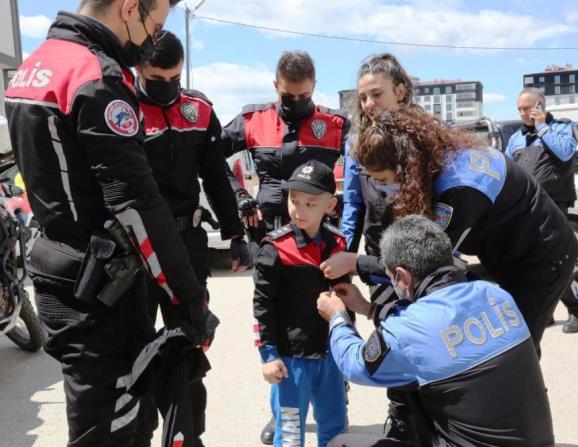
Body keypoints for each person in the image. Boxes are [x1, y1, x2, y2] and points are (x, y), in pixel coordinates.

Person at [4, 1, 218, 446]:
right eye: (153, 26)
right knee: (115, 427)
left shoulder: (35, 64)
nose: (149, 41)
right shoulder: (96, 77)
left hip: (60, 269)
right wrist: (189, 300)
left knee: (98, 415)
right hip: (99, 288)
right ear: (128, 9)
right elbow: (135, 202)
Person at [329, 105, 577, 358]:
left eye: (382, 181)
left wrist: (358, 264)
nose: (383, 190)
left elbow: (423, 264)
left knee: (517, 351)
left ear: (406, 166)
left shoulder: (461, 190)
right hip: (512, 253)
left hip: (543, 259)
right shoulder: (439, 158)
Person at [317, 215, 554, 447]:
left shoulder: (407, 330)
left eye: (391, 278)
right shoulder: (496, 296)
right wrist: (368, 308)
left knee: (340, 443)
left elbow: (354, 365)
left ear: (402, 276)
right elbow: (433, 330)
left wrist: (337, 317)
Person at [221, 50, 350, 443]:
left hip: (326, 242)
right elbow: (209, 157)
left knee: (332, 312)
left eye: (305, 95)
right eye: (289, 96)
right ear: (276, 86)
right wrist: (239, 195)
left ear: (314, 87)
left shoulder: (334, 124)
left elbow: (363, 171)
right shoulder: (252, 120)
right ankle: (281, 409)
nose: (297, 103)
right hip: (273, 240)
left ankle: (335, 392)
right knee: (277, 319)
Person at [135, 30, 249, 447]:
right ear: (138, 70)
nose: (166, 88)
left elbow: (217, 177)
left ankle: (189, 436)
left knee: (190, 343)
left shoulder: (198, 110)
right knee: (136, 348)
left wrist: (235, 234)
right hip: (136, 251)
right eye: (156, 79)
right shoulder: (121, 109)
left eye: (174, 79)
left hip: (187, 243)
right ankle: (140, 433)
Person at [338, 53, 417, 441]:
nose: (369, 104)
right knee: (389, 328)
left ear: (400, 92)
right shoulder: (354, 140)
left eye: (376, 94)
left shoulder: (423, 137)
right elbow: (353, 202)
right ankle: (401, 422)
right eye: (363, 97)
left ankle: (431, 420)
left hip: (420, 253)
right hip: (377, 253)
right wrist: (344, 255)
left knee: (423, 334)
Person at [253, 160, 348, 447]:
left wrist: (346, 348)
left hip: (331, 356)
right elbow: (262, 305)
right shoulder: (275, 248)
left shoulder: (339, 244)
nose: (299, 210)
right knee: (292, 432)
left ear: (330, 205)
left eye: (310, 203)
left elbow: (343, 299)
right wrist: (268, 356)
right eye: (294, 201)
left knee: (335, 428)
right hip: (291, 360)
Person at [505, 87, 578, 333]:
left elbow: (565, 153)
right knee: (532, 262)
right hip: (525, 208)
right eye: (519, 109)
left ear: (540, 105)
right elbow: (508, 169)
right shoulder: (516, 138)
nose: (522, 113)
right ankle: (545, 310)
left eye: (527, 108)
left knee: (557, 261)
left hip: (554, 206)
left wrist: (542, 127)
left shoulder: (564, 128)